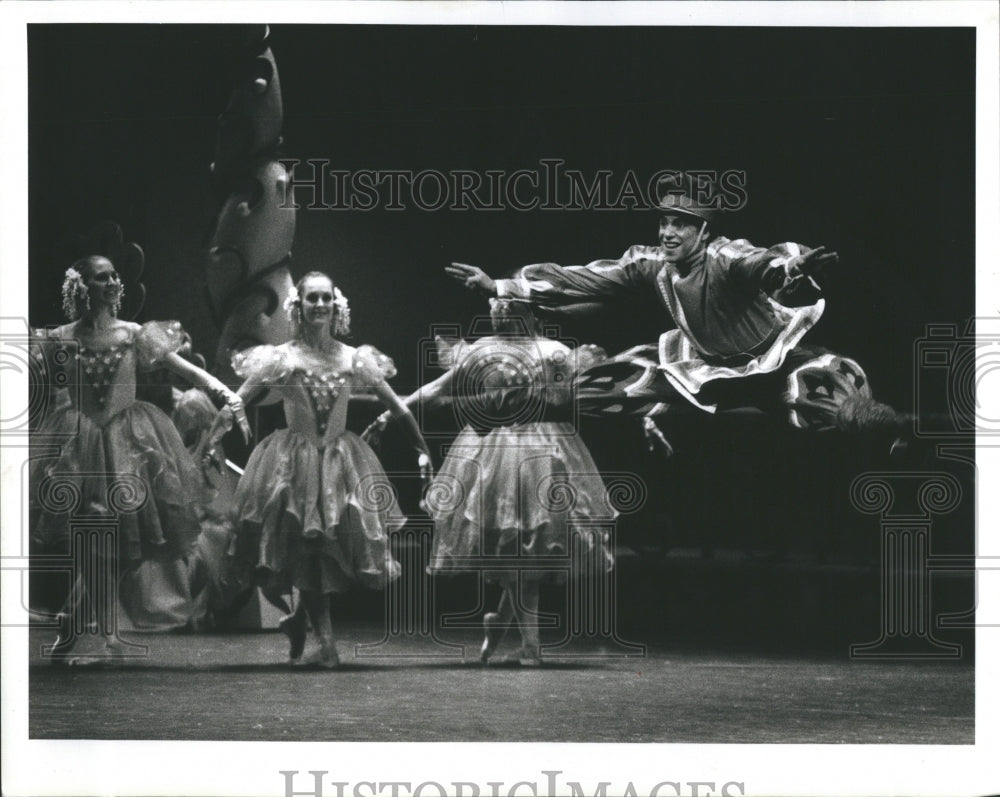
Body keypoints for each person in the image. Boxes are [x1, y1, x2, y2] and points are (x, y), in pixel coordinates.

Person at [446, 185, 910, 444]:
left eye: (680, 224)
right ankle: (511, 409)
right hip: (702, 366)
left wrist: (791, 266)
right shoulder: (651, 265)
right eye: (664, 223)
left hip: (772, 361)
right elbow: (585, 277)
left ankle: (898, 434)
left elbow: (763, 263)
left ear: (703, 231)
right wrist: (500, 286)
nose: (668, 232)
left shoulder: (726, 257)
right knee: (610, 382)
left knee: (832, 395)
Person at [370, 298, 616, 664]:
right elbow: (437, 389)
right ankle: (518, 639)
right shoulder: (483, 349)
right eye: (495, 307)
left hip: (543, 450)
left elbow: (573, 396)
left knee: (527, 550)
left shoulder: (555, 353)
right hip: (494, 450)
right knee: (517, 551)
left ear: (528, 309)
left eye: (507, 306)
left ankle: (508, 631)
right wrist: (388, 416)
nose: (498, 314)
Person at [30, 255, 250, 661]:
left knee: (119, 547)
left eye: (114, 275)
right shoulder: (60, 337)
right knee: (92, 539)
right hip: (80, 446)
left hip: (128, 444)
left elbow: (186, 371)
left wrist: (229, 395)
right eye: (101, 277)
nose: (113, 282)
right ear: (82, 287)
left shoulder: (135, 334)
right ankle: (97, 632)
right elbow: (34, 382)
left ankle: (76, 623)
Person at [211, 271, 433, 667]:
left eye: (325, 298)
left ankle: (300, 622)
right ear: (298, 305)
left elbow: (397, 407)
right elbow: (238, 397)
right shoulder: (283, 356)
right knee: (309, 548)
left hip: (339, 461)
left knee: (323, 550)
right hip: (292, 463)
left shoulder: (354, 358)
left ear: (336, 305)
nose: (319, 305)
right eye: (311, 298)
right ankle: (326, 643)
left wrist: (423, 451)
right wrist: (214, 434)